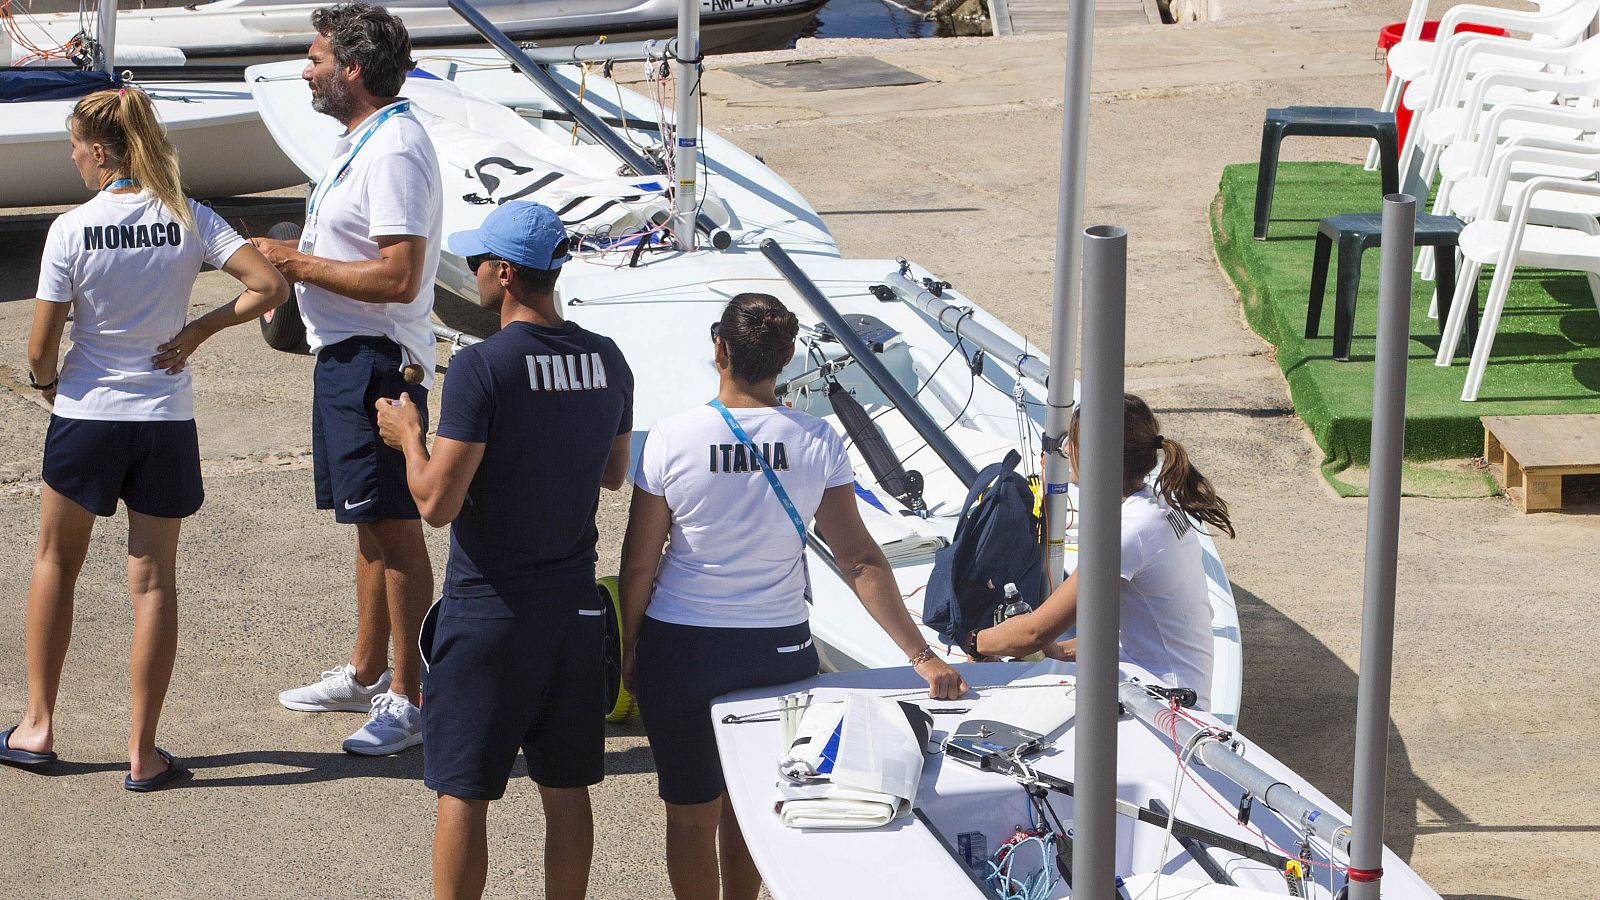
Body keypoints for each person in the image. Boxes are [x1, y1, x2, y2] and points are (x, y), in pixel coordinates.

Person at [618, 292, 967, 900]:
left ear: (719, 349)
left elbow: (640, 562)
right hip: (776, 651)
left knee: (690, 813)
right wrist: (922, 655)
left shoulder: (671, 438)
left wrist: (626, 648)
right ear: (783, 361)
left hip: (681, 648)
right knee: (752, 808)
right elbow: (860, 560)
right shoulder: (818, 442)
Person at [0, 87, 288, 790]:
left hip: (87, 415)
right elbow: (269, 286)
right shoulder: (189, 216)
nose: (71, 158)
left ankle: (37, 726)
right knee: (154, 581)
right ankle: (143, 751)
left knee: (54, 565)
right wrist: (198, 330)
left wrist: (45, 386)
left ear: (100, 151)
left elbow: (41, 346)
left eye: (74, 146)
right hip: (163, 420)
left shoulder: (72, 228)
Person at [375, 201, 633, 900]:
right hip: (575, 612)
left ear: (507, 274)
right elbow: (613, 473)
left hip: (490, 611)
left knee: (464, 788)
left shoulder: (483, 368)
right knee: (567, 786)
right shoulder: (608, 359)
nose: (475, 270)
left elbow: (434, 504)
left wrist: (408, 434)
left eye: (481, 261)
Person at [252, 3, 443, 754]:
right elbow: (354, 243)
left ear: (353, 70)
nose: (306, 70)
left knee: (395, 528)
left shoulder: (393, 149)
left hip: (376, 360)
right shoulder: (359, 140)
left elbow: (398, 274)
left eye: (316, 59)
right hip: (344, 357)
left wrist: (294, 262)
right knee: (368, 523)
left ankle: (410, 694)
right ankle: (366, 671)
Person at [966, 394, 1234, 711]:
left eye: (1073, 443)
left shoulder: (1127, 533)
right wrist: (1060, 652)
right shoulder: (1158, 504)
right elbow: (1141, 631)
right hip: (1172, 681)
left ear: (1099, 456)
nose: (1066, 450)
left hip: (1166, 705)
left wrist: (974, 641)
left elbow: (1034, 631)